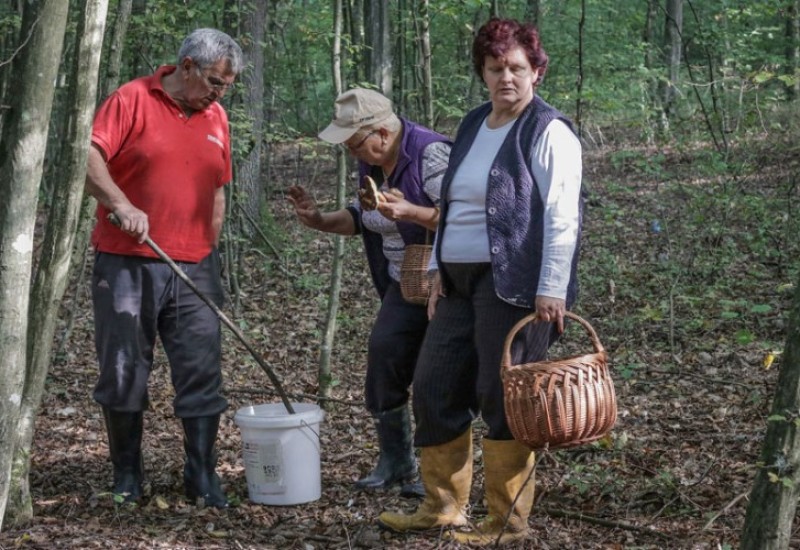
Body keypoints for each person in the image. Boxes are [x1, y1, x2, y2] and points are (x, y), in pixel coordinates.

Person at [377, 18, 583, 545]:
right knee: (434, 384)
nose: (506, 78)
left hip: (514, 282)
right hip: (457, 280)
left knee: (502, 395)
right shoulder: (472, 124)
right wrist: (433, 271)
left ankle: (505, 522)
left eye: (516, 67)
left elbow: (562, 214)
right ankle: (442, 507)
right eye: (495, 68)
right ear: (483, 73)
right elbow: (450, 206)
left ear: (536, 71)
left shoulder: (547, 130)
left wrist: (552, 288)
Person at [85, 28, 243, 508]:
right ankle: (127, 475)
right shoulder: (132, 98)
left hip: (194, 267)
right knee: (123, 368)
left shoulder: (217, 116)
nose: (219, 93)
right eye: (215, 81)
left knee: (201, 370)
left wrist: (208, 247)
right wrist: (120, 202)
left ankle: (201, 475)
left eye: (227, 86)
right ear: (187, 66)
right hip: (127, 263)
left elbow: (218, 186)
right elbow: (89, 156)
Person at [287, 88, 451, 497]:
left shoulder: (429, 155)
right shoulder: (374, 164)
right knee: (384, 357)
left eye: (354, 143)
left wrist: (412, 212)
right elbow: (362, 217)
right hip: (403, 282)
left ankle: (440, 479)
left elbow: (464, 218)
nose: (350, 152)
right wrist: (320, 219)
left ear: (380, 132)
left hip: (447, 283)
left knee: (437, 378)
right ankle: (396, 462)